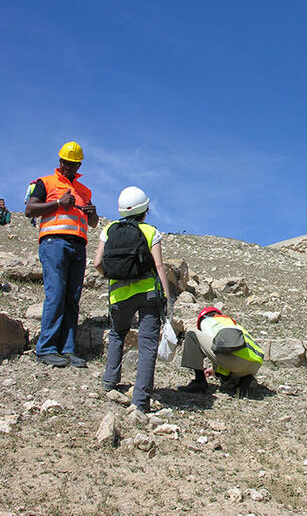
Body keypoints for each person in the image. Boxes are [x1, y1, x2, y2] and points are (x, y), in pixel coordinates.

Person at [93, 186, 171, 412]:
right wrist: (166, 295)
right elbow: (158, 265)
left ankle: (110, 381)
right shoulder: (150, 231)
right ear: (145, 209)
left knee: (117, 333)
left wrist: (115, 276)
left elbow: (97, 262)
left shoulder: (108, 230)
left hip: (119, 294)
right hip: (148, 294)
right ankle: (140, 401)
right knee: (147, 345)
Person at [25, 141, 98, 367]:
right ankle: (46, 348)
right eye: (66, 164)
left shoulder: (84, 191)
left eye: (74, 165)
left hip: (78, 245)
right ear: (60, 162)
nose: (69, 168)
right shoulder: (45, 182)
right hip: (53, 242)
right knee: (56, 294)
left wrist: (93, 214)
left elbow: (93, 223)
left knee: (71, 298)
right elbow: (30, 209)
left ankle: (67, 350)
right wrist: (58, 202)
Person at [178, 307, 264, 396]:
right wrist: (214, 370)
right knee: (233, 374)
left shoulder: (207, 321)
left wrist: (218, 370)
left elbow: (218, 346)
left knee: (191, 333)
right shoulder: (233, 323)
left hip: (235, 361)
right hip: (255, 364)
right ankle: (243, 379)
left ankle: (199, 382)